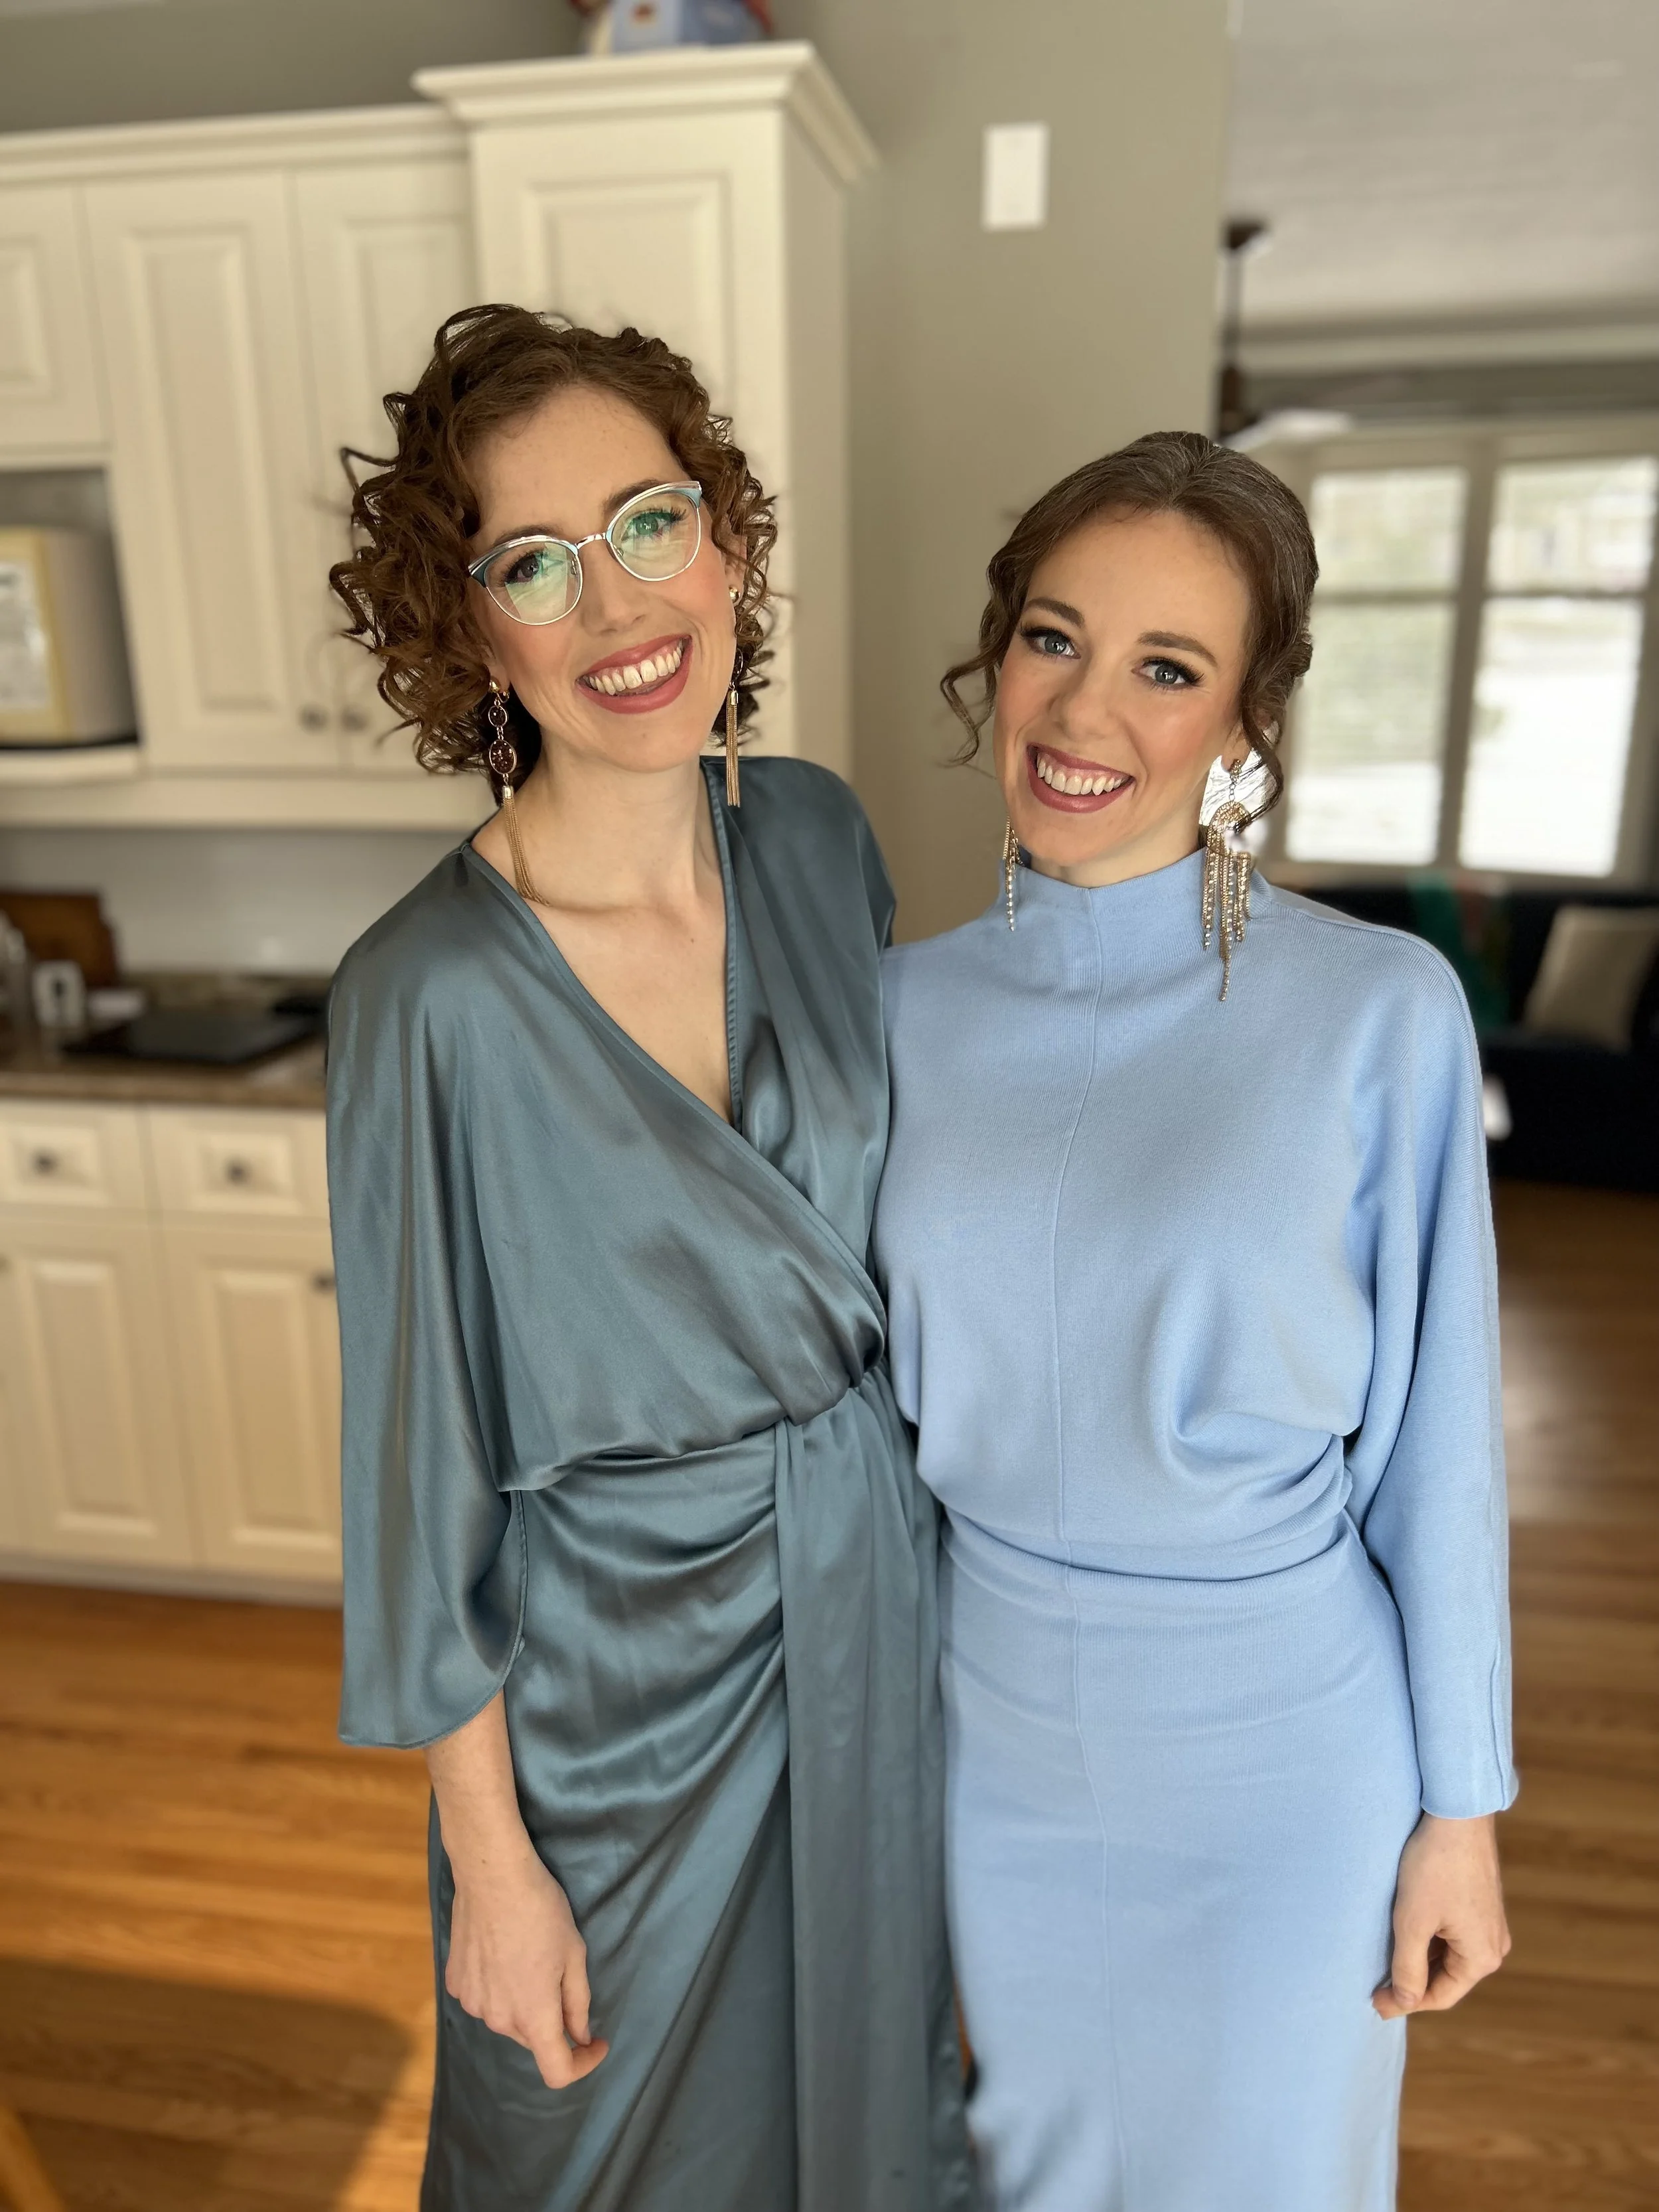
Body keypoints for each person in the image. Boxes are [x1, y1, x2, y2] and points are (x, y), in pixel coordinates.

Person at [326, 304, 973, 2212]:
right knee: (577, 2152)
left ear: (730, 543)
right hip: (610, 1711)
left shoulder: (820, 842)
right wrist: (494, 1860)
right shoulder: (422, 994)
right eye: (530, 560)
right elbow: (412, 1459)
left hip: (871, 1614)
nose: (612, 602)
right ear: (470, 633)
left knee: (866, 2115)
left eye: (646, 520)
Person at [871, 431, 1515, 2211]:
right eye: (1051, 638)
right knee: (1026, 2177)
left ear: (1242, 726)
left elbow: (1439, 1452)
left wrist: (1458, 1812)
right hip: (987, 1741)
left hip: (1280, 1760)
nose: (1086, 711)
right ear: (993, 658)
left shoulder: (1372, 1012)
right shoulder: (885, 1012)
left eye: (1167, 668)